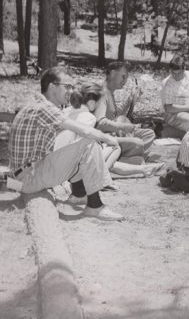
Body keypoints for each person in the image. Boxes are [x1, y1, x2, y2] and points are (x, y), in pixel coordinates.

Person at [8, 67, 124, 221]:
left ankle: (79, 193)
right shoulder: (44, 108)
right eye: (67, 86)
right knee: (88, 141)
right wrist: (109, 139)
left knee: (79, 141)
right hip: (28, 179)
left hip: (22, 176)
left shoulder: (37, 103)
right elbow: (85, 131)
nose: (71, 91)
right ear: (52, 86)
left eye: (72, 87)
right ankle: (94, 207)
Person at [57, 83, 164, 178]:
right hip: (74, 163)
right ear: (91, 103)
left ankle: (141, 168)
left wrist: (130, 100)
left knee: (111, 148)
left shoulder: (68, 110)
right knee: (114, 146)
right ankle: (106, 174)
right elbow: (88, 135)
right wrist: (108, 138)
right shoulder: (88, 116)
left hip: (65, 159)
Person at [94, 61, 156, 163]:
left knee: (149, 134)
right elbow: (100, 123)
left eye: (126, 78)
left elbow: (115, 115)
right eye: (123, 77)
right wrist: (124, 127)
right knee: (138, 144)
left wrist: (130, 99)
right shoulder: (102, 93)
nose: (125, 81)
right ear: (113, 73)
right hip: (106, 138)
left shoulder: (110, 92)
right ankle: (122, 158)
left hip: (117, 133)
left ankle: (125, 156)